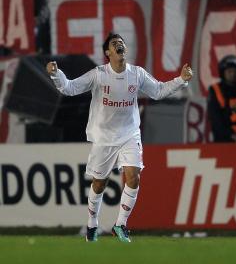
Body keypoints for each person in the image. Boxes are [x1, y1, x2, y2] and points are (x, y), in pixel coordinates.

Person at [46, 33, 193, 242]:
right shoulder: (98, 74)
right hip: (104, 137)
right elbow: (70, 88)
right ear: (108, 53)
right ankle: (91, 225)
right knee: (99, 183)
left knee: (134, 176)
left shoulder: (137, 74)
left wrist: (181, 80)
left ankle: (120, 224)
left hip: (129, 134)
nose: (119, 45)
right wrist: (56, 74)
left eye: (121, 42)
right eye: (115, 44)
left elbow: (158, 91)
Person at [207, 55, 236, 142]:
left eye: (235, 71)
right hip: (223, 139)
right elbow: (215, 118)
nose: (233, 74)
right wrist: (231, 135)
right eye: (229, 71)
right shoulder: (215, 89)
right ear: (223, 73)